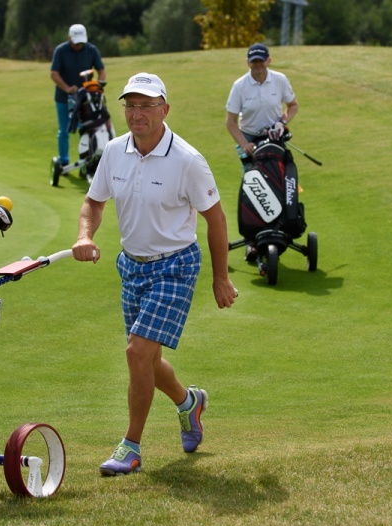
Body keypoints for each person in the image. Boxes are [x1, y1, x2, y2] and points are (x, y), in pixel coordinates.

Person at [72, 72, 238, 476]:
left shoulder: (188, 160)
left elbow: (215, 220)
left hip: (176, 266)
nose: (137, 113)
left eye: (147, 105)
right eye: (130, 105)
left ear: (165, 109)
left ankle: (131, 447)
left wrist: (221, 278)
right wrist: (84, 234)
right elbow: (93, 202)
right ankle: (188, 402)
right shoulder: (113, 151)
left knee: (136, 353)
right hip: (131, 266)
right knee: (148, 360)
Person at [225, 42, 299, 260]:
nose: (258, 66)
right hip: (249, 140)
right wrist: (244, 144)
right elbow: (230, 122)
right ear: (248, 62)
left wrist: (283, 121)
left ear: (269, 61)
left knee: (278, 185)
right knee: (254, 188)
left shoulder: (280, 80)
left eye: (261, 61)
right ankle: (252, 241)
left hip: (274, 138)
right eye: (254, 62)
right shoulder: (240, 86)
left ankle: (278, 229)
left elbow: (293, 105)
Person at [50, 24, 106, 168]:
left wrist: (98, 85)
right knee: (64, 130)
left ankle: (85, 162)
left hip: (85, 99)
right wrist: (67, 88)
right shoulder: (61, 51)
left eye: (81, 41)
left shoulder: (91, 50)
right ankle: (63, 161)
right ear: (69, 38)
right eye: (76, 42)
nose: (79, 45)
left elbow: (101, 70)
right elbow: (54, 73)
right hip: (64, 98)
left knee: (86, 129)